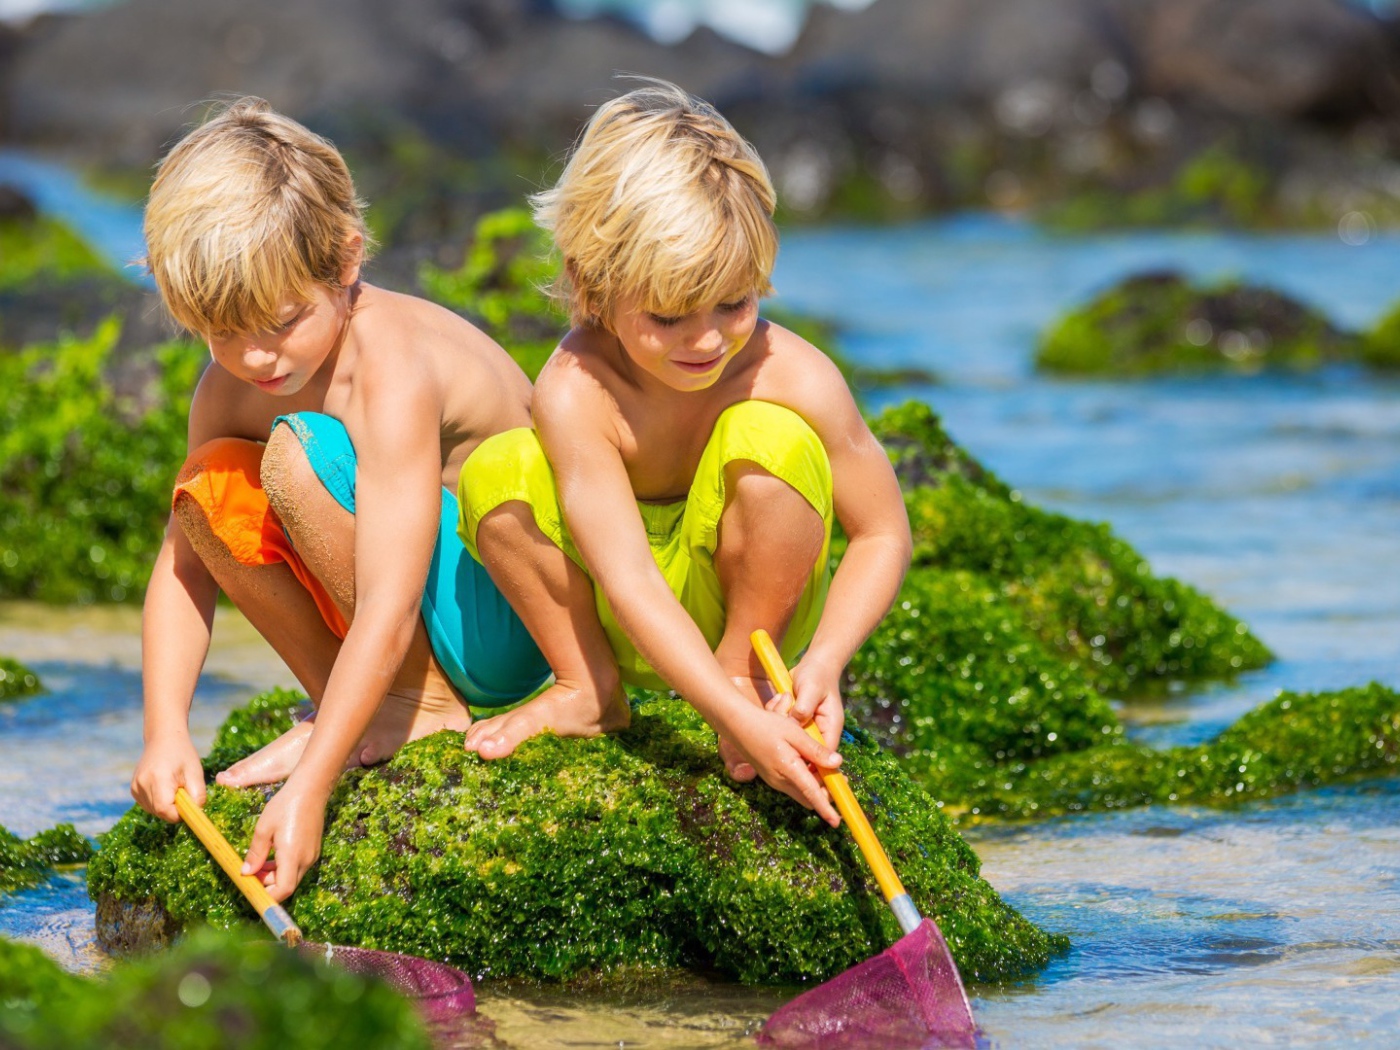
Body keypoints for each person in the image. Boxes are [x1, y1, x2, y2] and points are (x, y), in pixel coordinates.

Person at [129, 98, 588, 901]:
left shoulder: (391, 363)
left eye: (279, 322)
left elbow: (391, 597)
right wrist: (165, 730)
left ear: (346, 262)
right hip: (407, 615)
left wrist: (315, 781)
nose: (256, 358)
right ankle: (355, 700)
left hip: (509, 618)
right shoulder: (230, 384)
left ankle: (415, 707)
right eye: (222, 334)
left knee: (299, 460)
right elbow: (183, 565)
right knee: (209, 485)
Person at [457, 80, 912, 824]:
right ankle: (587, 689)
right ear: (592, 290)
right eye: (667, 317)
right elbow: (630, 579)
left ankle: (740, 673)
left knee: (772, 437)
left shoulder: (791, 373)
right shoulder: (578, 390)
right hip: (624, 613)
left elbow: (884, 531)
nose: (706, 341)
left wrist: (826, 660)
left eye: (733, 304)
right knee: (497, 469)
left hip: (756, 618)